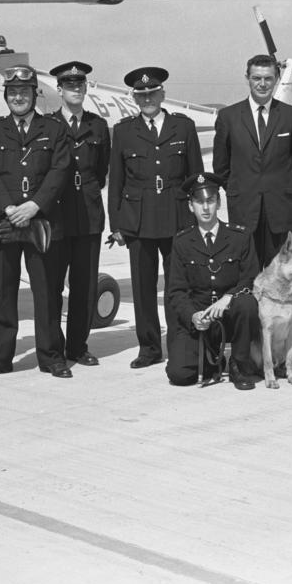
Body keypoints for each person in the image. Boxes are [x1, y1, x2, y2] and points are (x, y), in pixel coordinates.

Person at [0, 65, 72, 378]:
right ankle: (0, 358)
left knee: (47, 293)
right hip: (4, 224)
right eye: (13, 92)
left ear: (35, 94)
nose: (18, 97)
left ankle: (51, 356)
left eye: (24, 92)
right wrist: (7, 209)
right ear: (6, 96)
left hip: (40, 223)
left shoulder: (55, 130)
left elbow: (59, 172)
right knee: (3, 292)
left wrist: (33, 206)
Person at [107, 67, 203, 369]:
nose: (147, 98)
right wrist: (118, 226)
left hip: (177, 218)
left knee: (178, 287)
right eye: (142, 94)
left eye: (152, 93)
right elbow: (116, 183)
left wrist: (199, 219)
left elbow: (196, 175)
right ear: (135, 98)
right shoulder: (123, 132)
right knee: (143, 289)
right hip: (138, 220)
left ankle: (179, 341)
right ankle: (149, 348)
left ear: (162, 94)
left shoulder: (183, 128)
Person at [212, 54, 292, 270]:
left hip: (282, 211)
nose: (262, 84)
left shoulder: (291, 116)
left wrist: (282, 189)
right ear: (247, 78)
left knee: (280, 278)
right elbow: (221, 166)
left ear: (276, 79)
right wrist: (240, 190)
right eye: (257, 78)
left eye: (268, 78)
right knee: (246, 277)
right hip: (244, 210)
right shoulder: (228, 117)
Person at [165, 173, 259, 389]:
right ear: (190, 206)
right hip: (201, 317)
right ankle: (213, 362)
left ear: (218, 203)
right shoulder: (182, 242)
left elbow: (251, 278)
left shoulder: (240, 236)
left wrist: (229, 297)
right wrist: (193, 316)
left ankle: (238, 364)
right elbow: (176, 291)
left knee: (246, 303)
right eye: (199, 202)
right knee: (179, 375)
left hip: (230, 314)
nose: (205, 208)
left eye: (210, 201)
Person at [48, 60, 110, 366]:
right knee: (53, 284)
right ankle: (54, 346)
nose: (75, 89)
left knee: (84, 286)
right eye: (69, 85)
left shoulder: (97, 127)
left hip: (88, 215)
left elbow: (100, 172)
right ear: (59, 90)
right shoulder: (48, 125)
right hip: (57, 216)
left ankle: (78, 346)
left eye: (80, 85)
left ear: (85, 89)